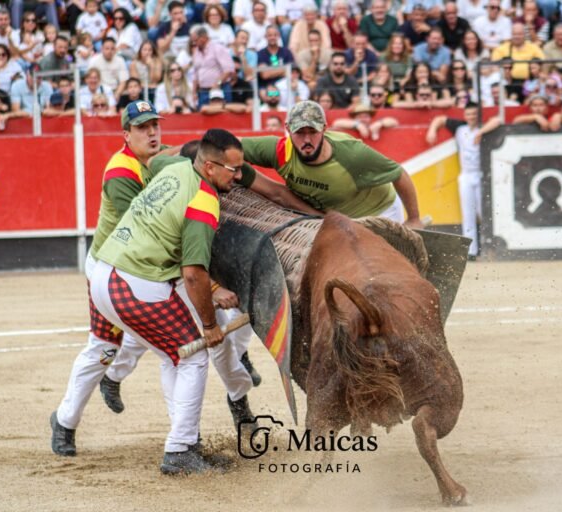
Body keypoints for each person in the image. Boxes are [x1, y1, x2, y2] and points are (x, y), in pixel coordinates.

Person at [50, 107, 258, 461]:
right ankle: (179, 443)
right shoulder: (122, 174)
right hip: (130, 274)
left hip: (128, 271)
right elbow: (178, 252)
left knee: (173, 349)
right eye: (142, 128)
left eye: (155, 126)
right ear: (126, 135)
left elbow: (172, 163)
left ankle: (207, 421)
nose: (152, 133)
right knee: (125, 348)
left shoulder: (168, 164)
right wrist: (211, 295)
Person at [242, 100, 424, 226]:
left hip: (379, 213)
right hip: (334, 220)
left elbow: (398, 173)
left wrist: (414, 219)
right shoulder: (279, 151)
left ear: (324, 129)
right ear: (288, 130)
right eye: (299, 132)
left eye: (312, 132)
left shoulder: (352, 154)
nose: (307, 139)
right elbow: (225, 144)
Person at [425, 104, 501, 257]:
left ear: (478, 115)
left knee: (483, 211)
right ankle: (471, 251)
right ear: (464, 115)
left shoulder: (484, 127)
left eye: (474, 114)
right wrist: (432, 130)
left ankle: (489, 247)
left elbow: (498, 120)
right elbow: (440, 119)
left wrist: (481, 132)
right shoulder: (460, 128)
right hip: (466, 174)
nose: (471, 117)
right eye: (468, 114)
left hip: (481, 175)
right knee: (468, 213)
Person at [192, 26, 236, 108]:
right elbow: (195, 74)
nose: (194, 43)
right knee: (203, 117)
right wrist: (194, 92)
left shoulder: (218, 48)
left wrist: (217, 83)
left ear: (204, 38)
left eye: (196, 40)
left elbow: (229, 69)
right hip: (203, 90)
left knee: (223, 114)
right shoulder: (196, 52)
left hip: (220, 89)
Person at [331, 103, 398, 141]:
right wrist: (358, 125)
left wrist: (379, 124)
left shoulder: (373, 125)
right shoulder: (352, 125)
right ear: (354, 118)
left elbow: (394, 122)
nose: (363, 119)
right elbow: (336, 123)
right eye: (360, 117)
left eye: (366, 116)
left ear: (370, 118)